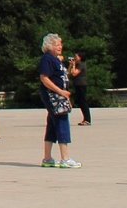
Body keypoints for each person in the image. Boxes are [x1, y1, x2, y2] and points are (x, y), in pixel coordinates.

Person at [38, 33, 81, 168]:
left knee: (52, 123)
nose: (60, 47)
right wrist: (60, 91)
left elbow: (63, 75)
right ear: (49, 46)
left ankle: (47, 158)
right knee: (62, 122)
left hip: (59, 95)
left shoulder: (56, 59)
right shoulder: (47, 59)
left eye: (60, 44)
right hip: (54, 96)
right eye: (57, 44)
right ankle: (65, 158)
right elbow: (44, 78)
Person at [70, 53, 91, 125]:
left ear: (80, 57)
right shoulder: (78, 65)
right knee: (80, 102)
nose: (75, 58)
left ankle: (87, 120)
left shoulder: (82, 64)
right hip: (77, 84)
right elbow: (69, 73)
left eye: (76, 57)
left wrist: (73, 65)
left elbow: (74, 73)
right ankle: (85, 119)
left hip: (81, 84)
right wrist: (71, 65)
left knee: (83, 102)